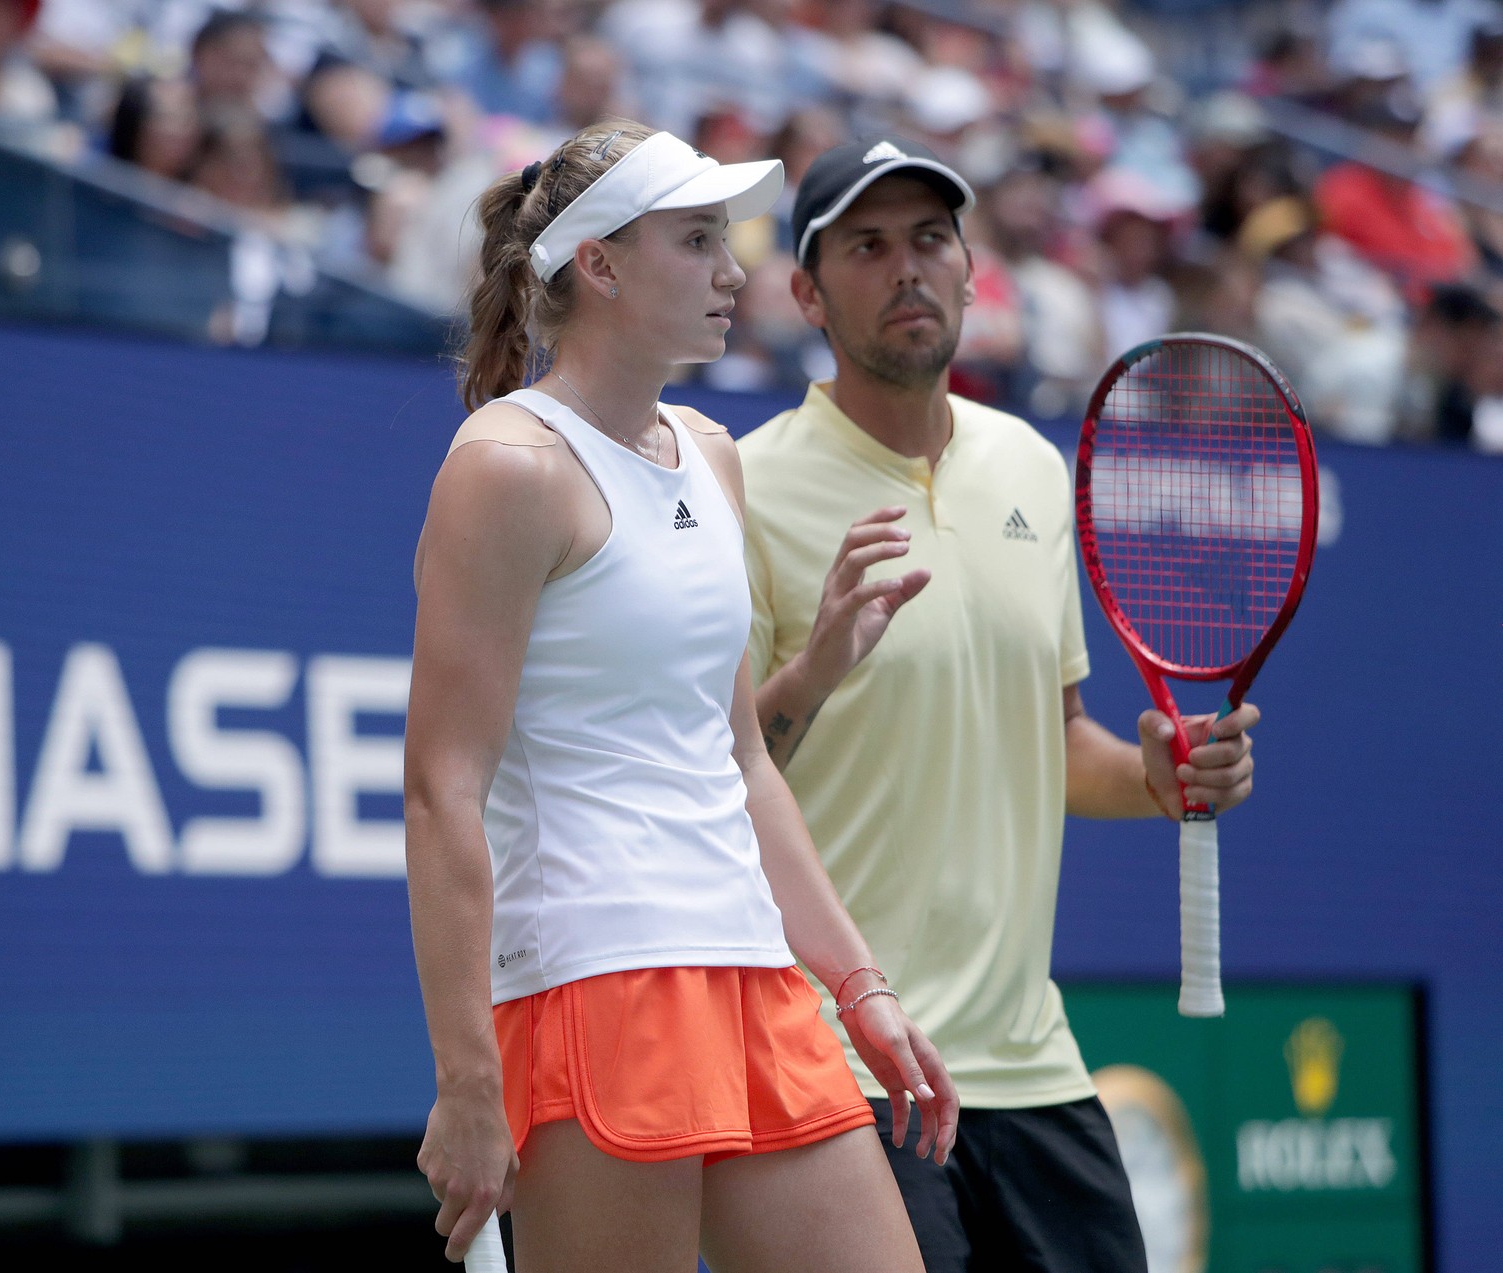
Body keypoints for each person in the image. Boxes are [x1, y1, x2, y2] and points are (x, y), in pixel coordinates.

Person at [404, 120, 960, 1272]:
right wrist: (469, 1078)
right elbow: (441, 790)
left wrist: (858, 983)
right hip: (592, 985)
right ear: (599, 265)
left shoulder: (712, 454)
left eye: (728, 239)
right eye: (698, 238)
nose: (732, 271)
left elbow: (740, 759)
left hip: (755, 976)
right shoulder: (507, 466)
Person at [738, 137, 1262, 1271]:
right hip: (841, 1060)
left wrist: (1158, 779)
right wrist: (817, 667)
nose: (907, 268)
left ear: (974, 268)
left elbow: (1060, 744)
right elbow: (724, 770)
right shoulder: (748, 485)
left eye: (931, 238)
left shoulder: (1030, 466)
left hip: (1032, 1065)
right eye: (867, 247)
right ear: (806, 295)